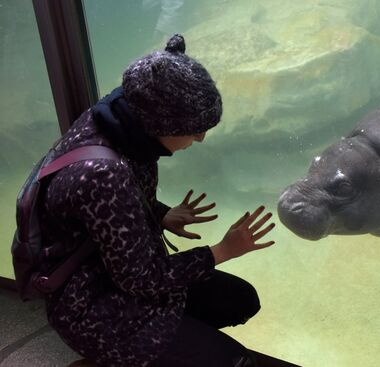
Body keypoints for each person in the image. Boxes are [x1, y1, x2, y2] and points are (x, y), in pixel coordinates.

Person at [40, 34, 275, 367]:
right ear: (162, 122)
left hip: (114, 273)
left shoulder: (124, 124)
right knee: (236, 362)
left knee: (240, 300)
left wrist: (161, 214)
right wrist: (222, 251)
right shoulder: (103, 174)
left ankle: (171, 350)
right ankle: (118, 356)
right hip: (94, 305)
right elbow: (142, 279)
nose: (201, 137)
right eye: (194, 128)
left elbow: (103, 215)